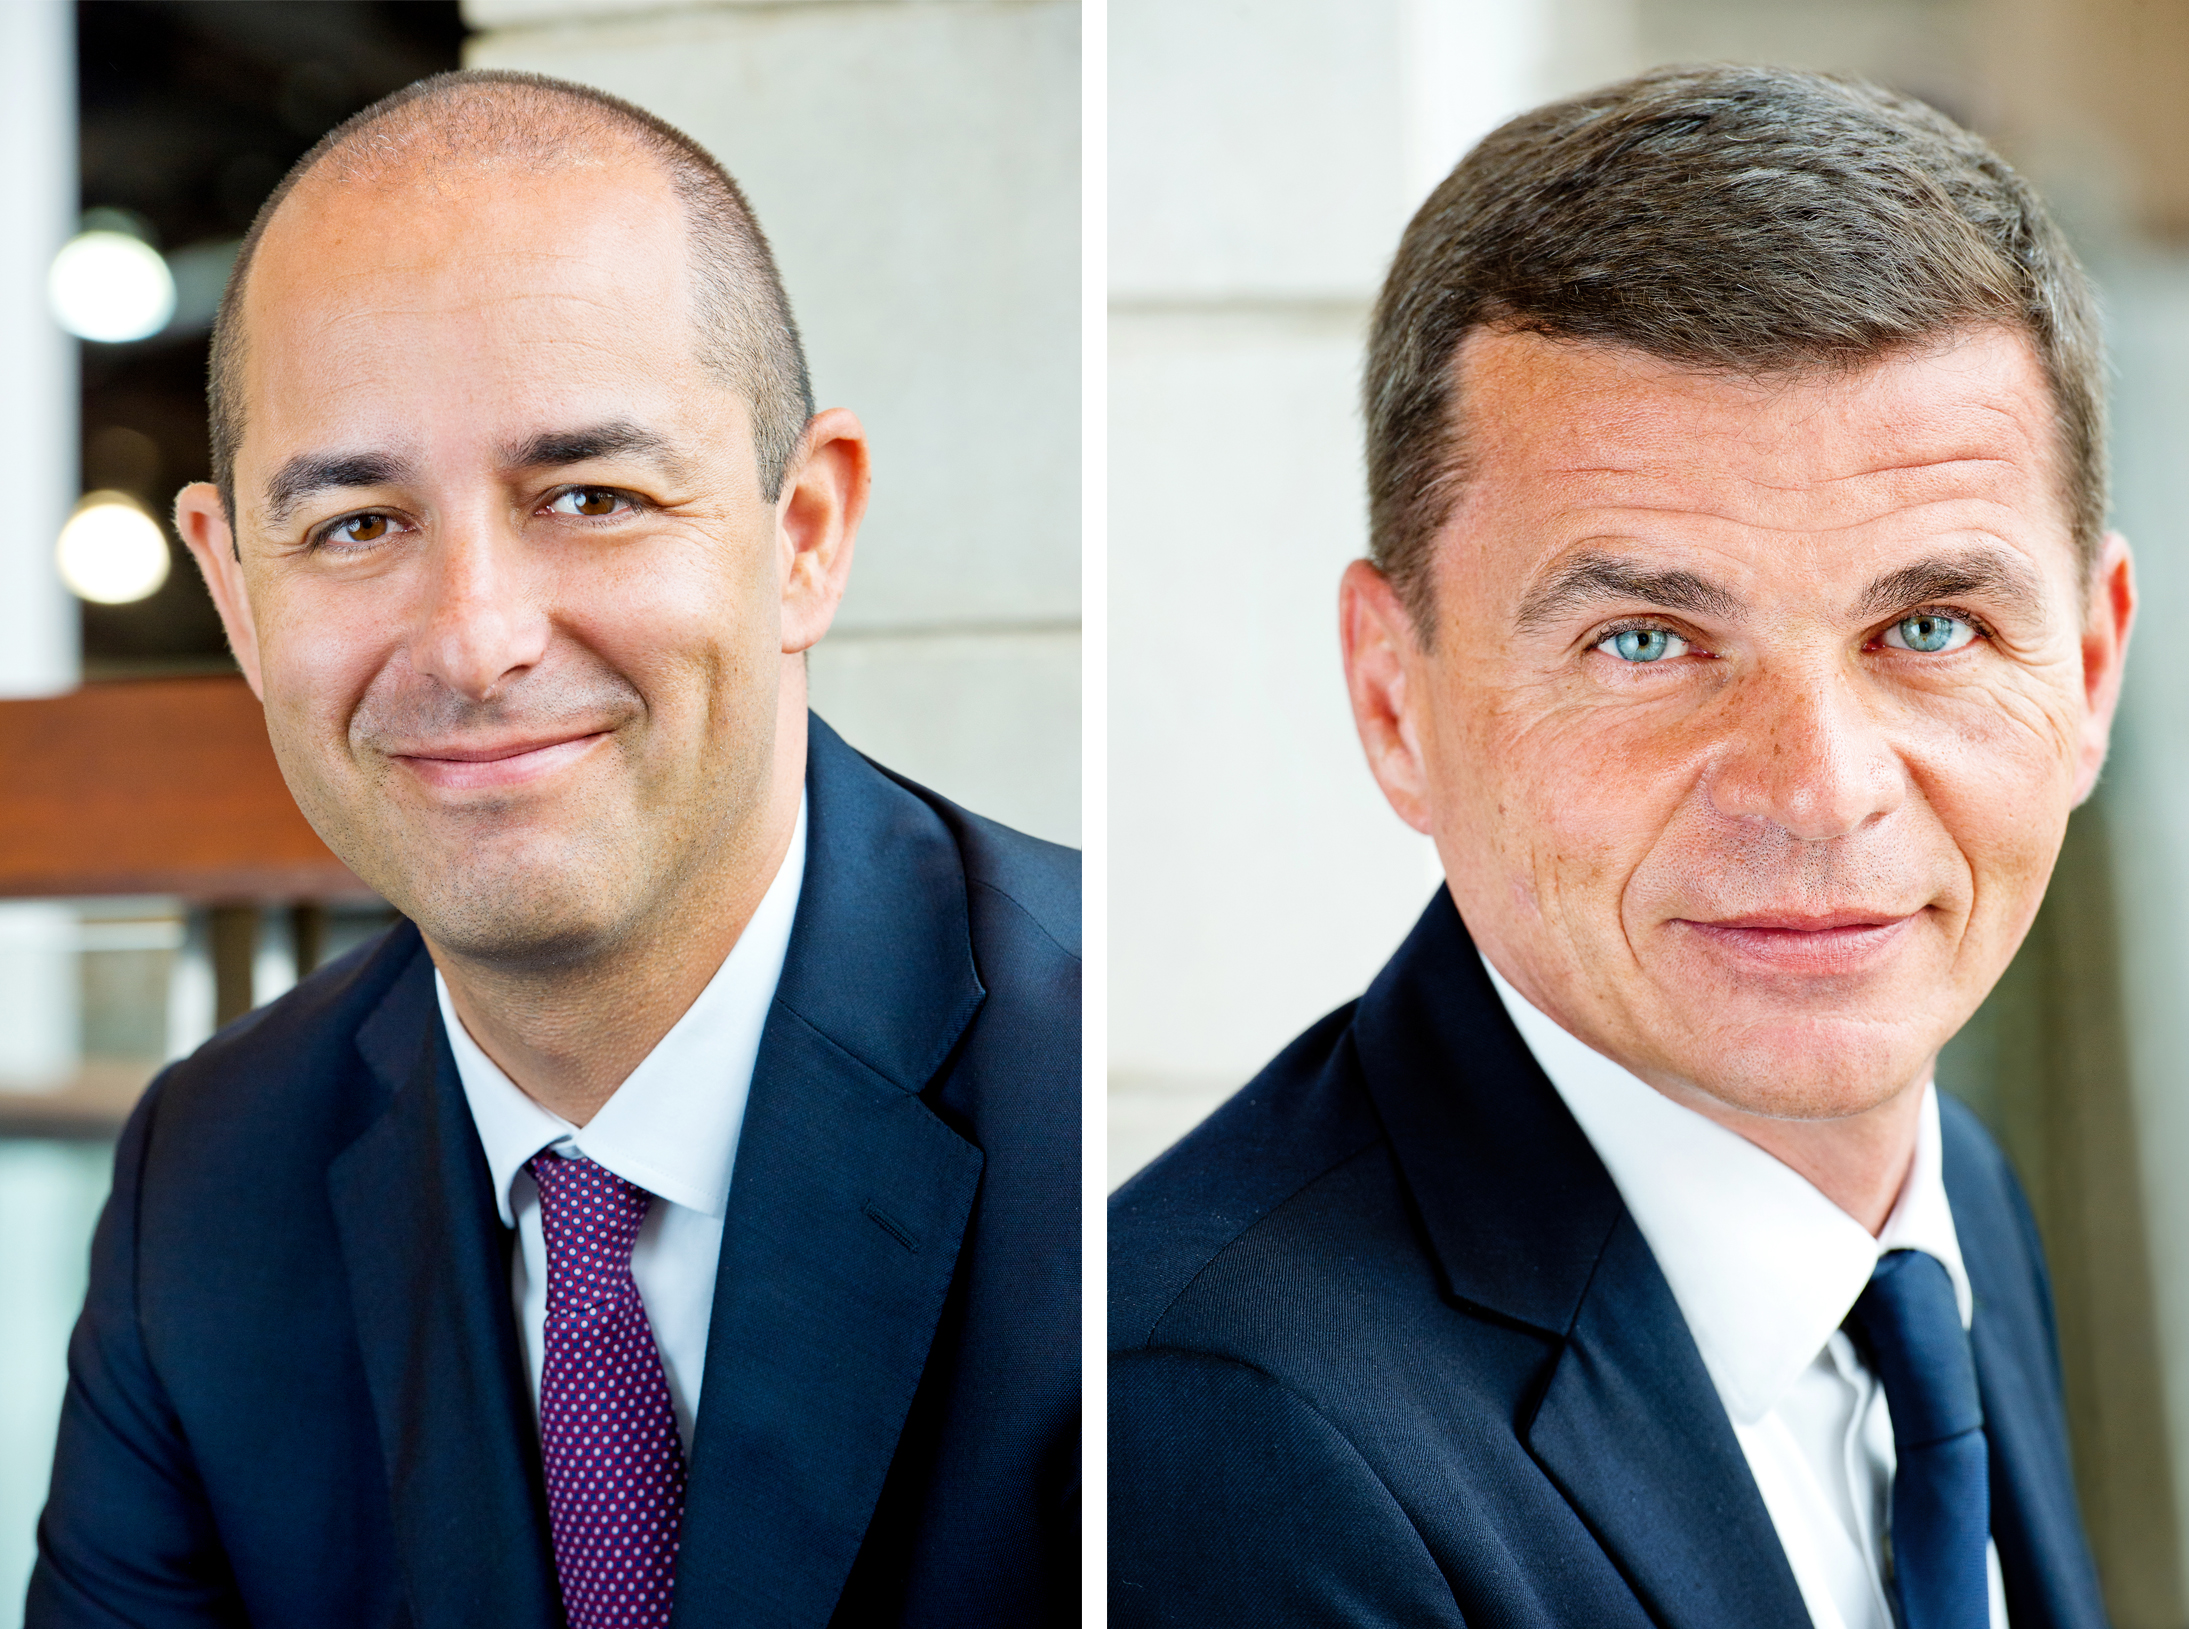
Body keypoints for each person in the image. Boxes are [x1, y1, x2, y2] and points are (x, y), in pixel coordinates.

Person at [31, 70, 1078, 1629]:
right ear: (238, 596)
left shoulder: (1120, 1122)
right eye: (356, 526)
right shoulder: (211, 1177)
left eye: (589, 494)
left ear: (803, 535)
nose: (475, 639)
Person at [1110, 64, 2129, 1629]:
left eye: (1929, 624)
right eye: (1645, 640)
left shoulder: (1945, 1207)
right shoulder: (1218, 1434)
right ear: (1397, 701)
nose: (1817, 788)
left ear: (2088, 666)